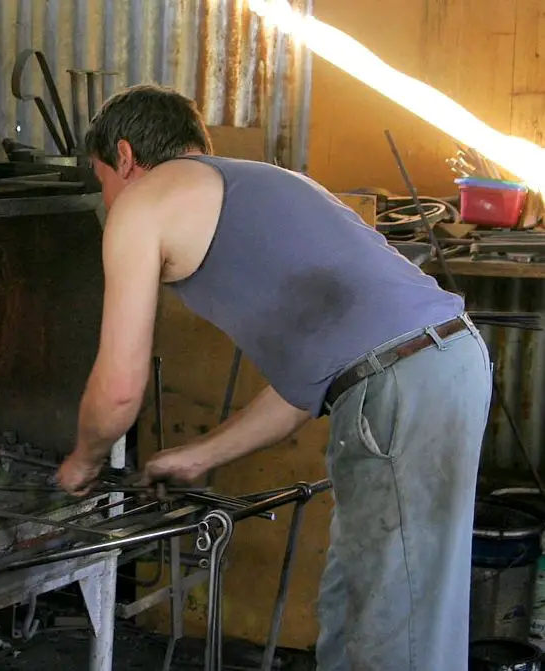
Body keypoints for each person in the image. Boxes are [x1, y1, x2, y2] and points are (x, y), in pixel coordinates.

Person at [55, 84, 491, 670]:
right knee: (364, 606)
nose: (106, 199)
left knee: (393, 635)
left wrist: (83, 461)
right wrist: (199, 455)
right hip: (438, 365)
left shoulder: (144, 203)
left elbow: (119, 390)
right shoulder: (260, 185)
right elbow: (304, 385)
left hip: (403, 385)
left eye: (100, 178)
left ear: (126, 157)